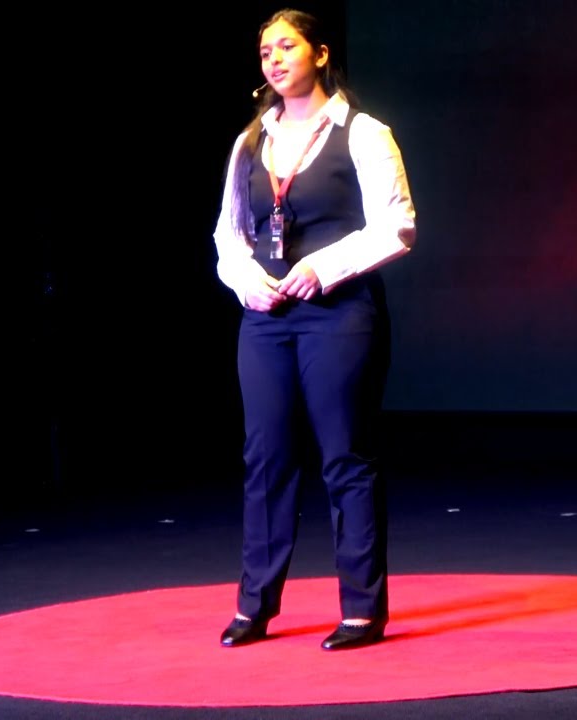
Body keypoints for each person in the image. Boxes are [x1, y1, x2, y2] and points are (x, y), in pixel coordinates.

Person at [211, 7, 416, 651]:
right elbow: (228, 233)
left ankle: (361, 609)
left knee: (345, 456)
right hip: (265, 318)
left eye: (286, 46)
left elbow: (397, 225)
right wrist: (244, 278)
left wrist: (321, 269)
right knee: (265, 458)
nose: (273, 59)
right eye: (264, 50)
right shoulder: (251, 141)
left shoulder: (363, 132)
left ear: (319, 53)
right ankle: (256, 604)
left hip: (339, 312)